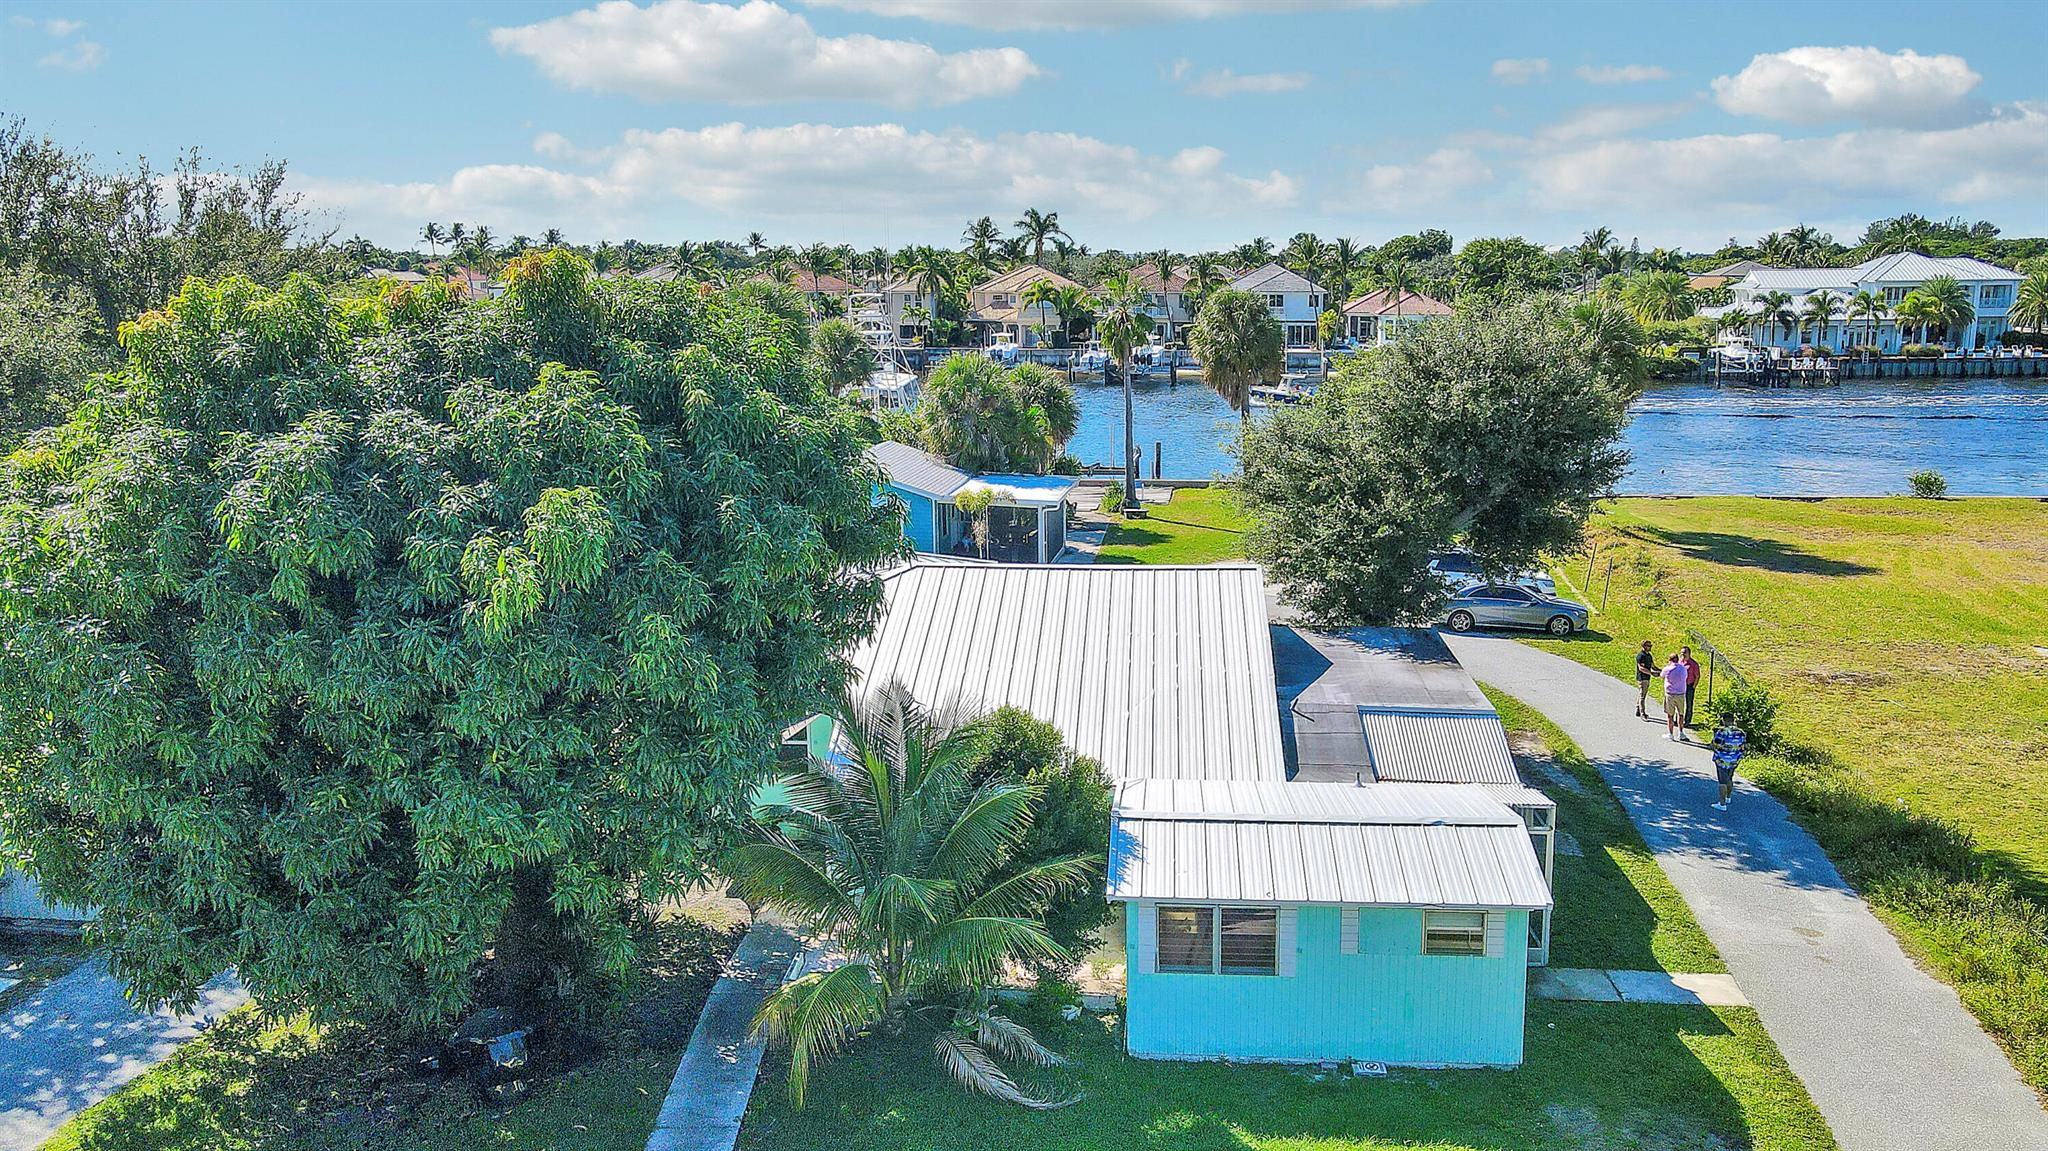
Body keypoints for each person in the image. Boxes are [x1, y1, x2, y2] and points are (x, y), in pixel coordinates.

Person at [1710, 714, 1747, 810]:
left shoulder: (1722, 731)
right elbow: (1743, 747)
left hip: (1722, 760)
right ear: (1733, 720)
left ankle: (1722, 804)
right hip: (1734, 760)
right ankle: (1728, 798)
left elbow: (1715, 745)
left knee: (1722, 781)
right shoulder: (1741, 732)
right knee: (1729, 778)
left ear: (1723, 720)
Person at [1661, 653, 1689, 741]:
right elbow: (1685, 677)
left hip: (1670, 694)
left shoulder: (1667, 669)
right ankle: (1681, 732)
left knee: (1670, 715)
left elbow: (1662, 676)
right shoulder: (1683, 668)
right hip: (1681, 694)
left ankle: (1671, 733)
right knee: (1680, 714)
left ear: (1670, 660)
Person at [1678, 646, 1702, 732]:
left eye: (1684, 652)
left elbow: (1697, 676)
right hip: (1680, 685)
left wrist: (1693, 686)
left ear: (1689, 653)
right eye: (1682, 652)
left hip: (1689, 685)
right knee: (1679, 702)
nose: (1683, 654)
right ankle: (1678, 719)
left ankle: (1687, 720)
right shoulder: (1680, 662)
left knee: (1689, 703)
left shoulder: (1693, 664)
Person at [1634, 641, 1656, 718]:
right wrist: (1651, 673)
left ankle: (1638, 709)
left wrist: (1661, 671)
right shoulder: (1640, 656)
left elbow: (1653, 666)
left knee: (1642, 694)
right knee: (1642, 696)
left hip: (1647, 678)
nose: (1650, 647)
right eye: (1648, 646)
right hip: (1642, 678)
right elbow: (1641, 668)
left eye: (1650, 645)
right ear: (1644, 646)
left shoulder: (1649, 655)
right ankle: (1642, 713)